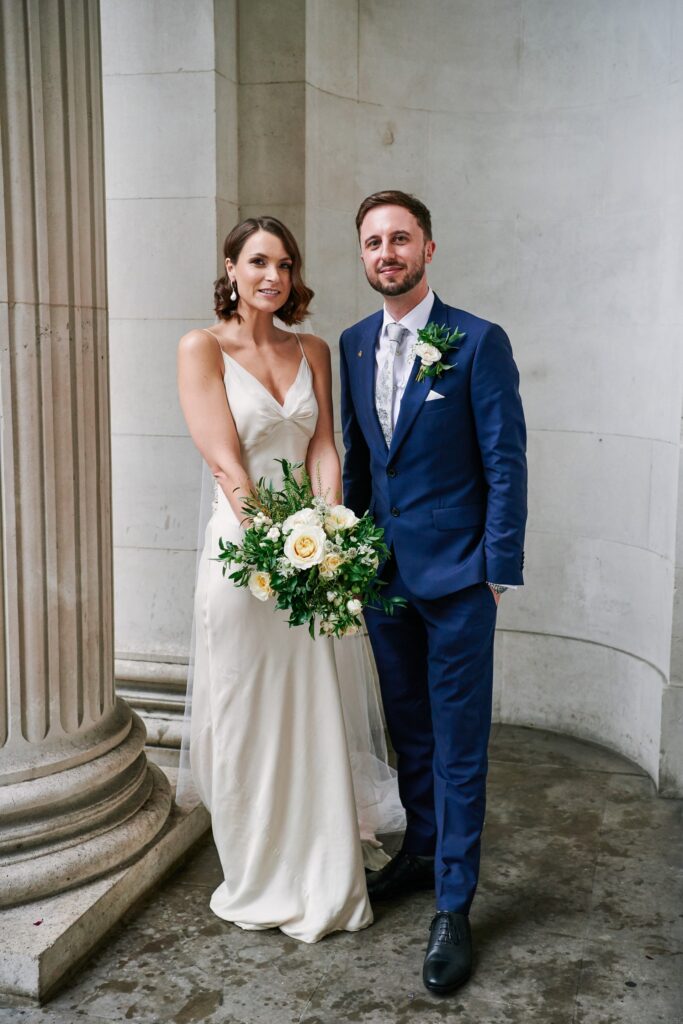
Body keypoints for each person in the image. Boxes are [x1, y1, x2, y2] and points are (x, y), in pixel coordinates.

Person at [339, 191, 527, 993]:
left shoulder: (475, 341)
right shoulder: (350, 345)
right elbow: (357, 460)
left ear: (428, 248)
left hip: (456, 581)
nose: (387, 252)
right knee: (408, 731)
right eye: (374, 242)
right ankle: (418, 854)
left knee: (457, 746)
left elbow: (505, 462)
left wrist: (493, 569)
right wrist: (345, 555)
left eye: (400, 239)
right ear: (363, 255)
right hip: (382, 579)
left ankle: (454, 902)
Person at [177, 216, 381, 943]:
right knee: (244, 712)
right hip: (243, 554)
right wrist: (272, 548)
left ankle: (321, 868)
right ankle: (259, 872)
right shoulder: (201, 347)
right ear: (230, 267)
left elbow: (326, 445)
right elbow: (226, 462)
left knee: (309, 708)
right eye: (258, 261)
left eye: (285, 264)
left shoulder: (313, 349)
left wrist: (326, 529)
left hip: (309, 550)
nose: (273, 276)